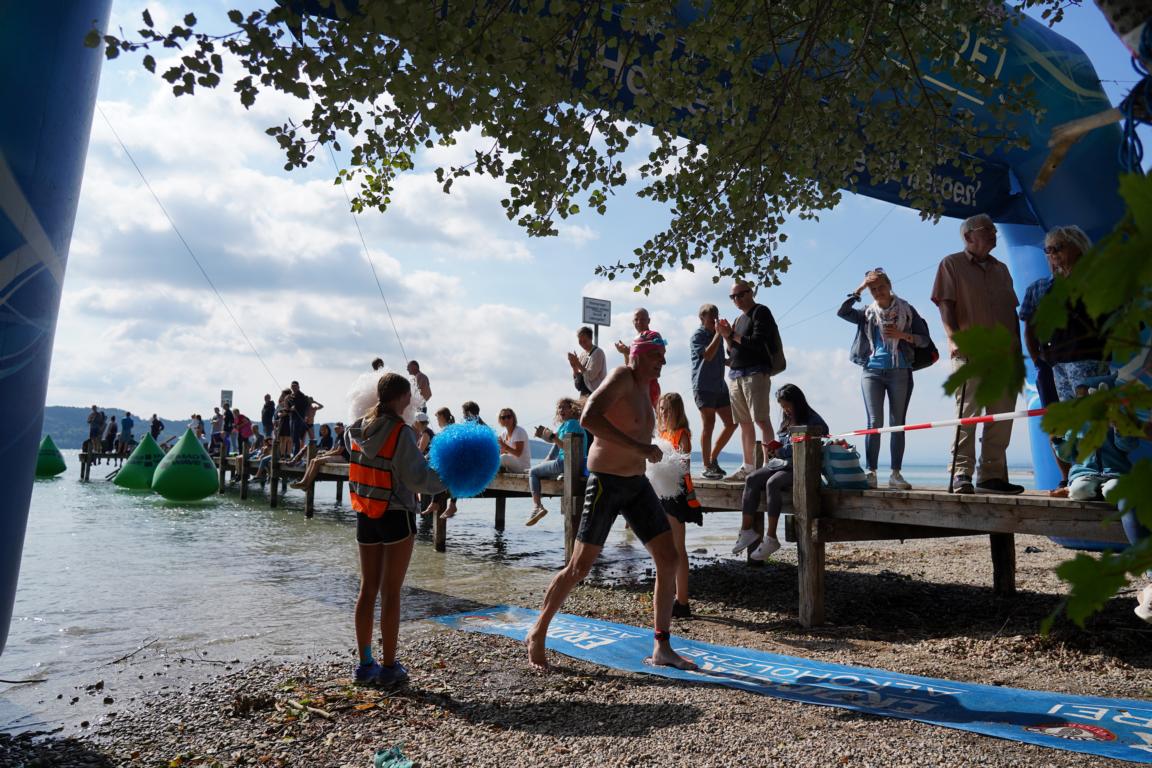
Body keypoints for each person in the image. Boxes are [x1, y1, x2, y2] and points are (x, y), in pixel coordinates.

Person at [527, 330, 695, 671]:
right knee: (579, 568)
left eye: (663, 355)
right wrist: (639, 447)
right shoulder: (621, 377)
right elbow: (589, 418)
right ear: (638, 356)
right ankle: (537, 631)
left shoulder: (648, 389)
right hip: (606, 482)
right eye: (656, 355)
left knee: (669, 558)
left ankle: (662, 646)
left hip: (636, 484)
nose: (663, 361)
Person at [348, 373, 446, 687]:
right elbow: (418, 479)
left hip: (366, 513)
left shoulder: (357, 428)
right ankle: (390, 666)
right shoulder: (401, 431)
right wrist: (447, 479)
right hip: (396, 516)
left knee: (367, 589)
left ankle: (365, 664)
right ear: (403, 398)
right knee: (391, 592)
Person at [931, 213, 1024, 495]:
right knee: (967, 413)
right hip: (970, 351)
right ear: (968, 236)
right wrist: (952, 338)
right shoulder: (951, 263)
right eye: (988, 229)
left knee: (1002, 416)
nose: (994, 233)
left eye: (995, 229)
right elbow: (945, 304)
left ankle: (992, 475)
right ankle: (961, 473)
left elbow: (1012, 311)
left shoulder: (1002, 269)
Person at [1021, 225, 1108, 496]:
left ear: (1078, 247)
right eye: (1048, 250)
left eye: (1058, 248)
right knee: (1059, 423)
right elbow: (1030, 328)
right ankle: (1070, 478)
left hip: (1089, 360)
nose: (1053, 254)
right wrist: (1038, 359)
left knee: (1091, 420)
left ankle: (1099, 475)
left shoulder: (1097, 280)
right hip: (1053, 365)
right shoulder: (1039, 288)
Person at [837, 267, 932, 490]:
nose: (878, 292)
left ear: (889, 285)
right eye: (873, 289)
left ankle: (895, 474)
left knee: (897, 423)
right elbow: (842, 312)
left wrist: (902, 335)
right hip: (872, 371)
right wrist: (859, 289)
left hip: (900, 370)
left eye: (881, 287)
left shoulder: (907, 310)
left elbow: (925, 340)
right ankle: (871, 473)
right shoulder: (866, 313)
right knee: (874, 423)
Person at [732, 383, 829, 561]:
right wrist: (773, 450)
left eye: (787, 406)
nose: (785, 410)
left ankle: (771, 537)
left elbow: (816, 439)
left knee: (773, 483)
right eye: (783, 407)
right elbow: (784, 445)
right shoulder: (787, 419)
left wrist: (781, 450)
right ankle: (746, 531)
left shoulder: (813, 419)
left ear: (797, 402)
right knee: (752, 479)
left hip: (801, 466)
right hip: (781, 463)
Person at [717, 280, 783, 482]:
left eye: (740, 294)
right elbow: (732, 350)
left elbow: (757, 343)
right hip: (736, 374)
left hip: (756, 372)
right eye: (733, 296)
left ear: (750, 293)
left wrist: (732, 334)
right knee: (744, 423)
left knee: (761, 419)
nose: (736, 299)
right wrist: (726, 336)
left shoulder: (761, 312)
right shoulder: (738, 319)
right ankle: (747, 466)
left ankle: (768, 465)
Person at [655, 392, 702, 619]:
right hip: (661, 494)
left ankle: (682, 602)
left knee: (677, 547)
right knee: (663, 547)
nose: (664, 413)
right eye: (661, 409)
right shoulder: (661, 434)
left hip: (677, 495)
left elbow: (684, 467)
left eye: (668, 409)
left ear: (678, 411)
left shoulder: (682, 434)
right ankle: (669, 595)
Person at [690, 303, 737, 479]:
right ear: (702, 318)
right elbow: (707, 355)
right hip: (703, 385)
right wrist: (719, 334)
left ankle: (712, 458)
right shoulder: (698, 335)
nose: (714, 320)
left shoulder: (717, 335)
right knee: (709, 424)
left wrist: (729, 360)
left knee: (732, 423)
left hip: (719, 385)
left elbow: (718, 356)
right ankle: (706, 466)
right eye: (711, 317)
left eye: (716, 316)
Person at [526, 397, 587, 526]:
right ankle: (544, 465)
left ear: (572, 409)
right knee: (540, 469)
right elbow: (555, 441)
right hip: (570, 464)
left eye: (564, 407)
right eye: (559, 407)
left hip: (566, 463)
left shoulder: (571, 424)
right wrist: (544, 435)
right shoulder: (567, 424)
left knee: (533, 472)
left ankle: (537, 507)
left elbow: (567, 448)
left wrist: (552, 436)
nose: (561, 410)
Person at [290, 423, 350, 490]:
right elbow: (332, 449)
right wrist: (323, 454)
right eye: (335, 428)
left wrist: (325, 455)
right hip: (337, 456)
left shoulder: (344, 436)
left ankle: (306, 485)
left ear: (342, 428)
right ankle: (303, 481)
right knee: (313, 460)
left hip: (343, 458)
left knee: (317, 462)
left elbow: (339, 451)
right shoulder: (338, 437)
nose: (336, 430)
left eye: (338, 428)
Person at [568, 326, 607, 396]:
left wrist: (577, 363)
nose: (582, 344)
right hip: (584, 393)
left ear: (591, 339)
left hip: (597, 394)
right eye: (580, 341)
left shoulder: (598, 352)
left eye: (585, 341)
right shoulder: (583, 354)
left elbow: (591, 376)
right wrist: (574, 366)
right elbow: (578, 380)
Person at [497, 407, 531, 473]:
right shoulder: (503, 433)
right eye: (503, 417)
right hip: (510, 466)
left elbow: (518, 453)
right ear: (500, 420)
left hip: (523, 467)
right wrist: (501, 449)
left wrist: (504, 445)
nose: (506, 419)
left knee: (503, 458)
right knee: (498, 458)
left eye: (508, 417)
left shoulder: (519, 431)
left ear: (513, 418)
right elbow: (503, 453)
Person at [289, 381, 313, 453]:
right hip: (293, 418)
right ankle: (294, 452)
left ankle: (296, 453)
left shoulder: (303, 396)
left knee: (296, 436)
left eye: (295, 386)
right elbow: (288, 407)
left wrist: (306, 416)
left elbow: (307, 406)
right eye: (292, 386)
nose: (294, 387)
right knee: (293, 436)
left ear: (298, 387)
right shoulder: (290, 397)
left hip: (300, 418)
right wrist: (291, 408)